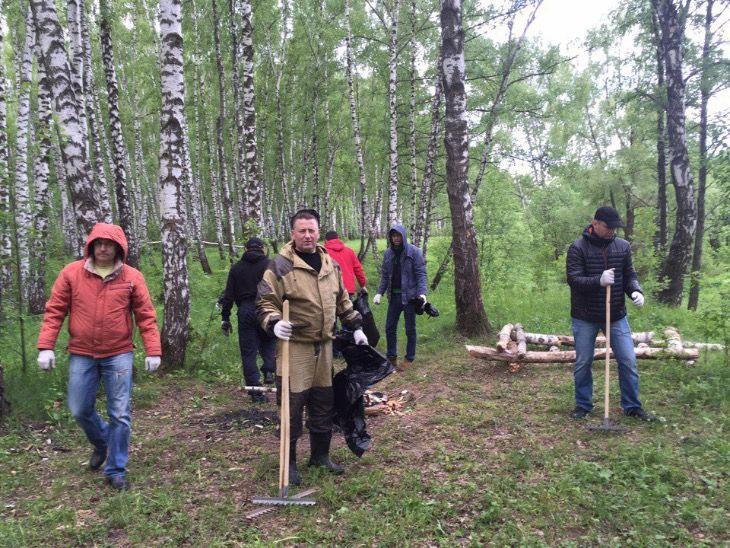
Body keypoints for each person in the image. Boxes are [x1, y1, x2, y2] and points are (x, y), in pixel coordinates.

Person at [37, 223, 161, 490]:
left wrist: (153, 350)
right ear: (91, 245)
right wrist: (45, 346)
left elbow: (146, 315)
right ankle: (102, 442)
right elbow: (55, 310)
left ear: (119, 247)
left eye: (109, 243)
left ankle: (116, 469)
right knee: (79, 408)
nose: (103, 248)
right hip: (82, 353)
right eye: (98, 243)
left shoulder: (131, 277)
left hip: (119, 354)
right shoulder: (72, 273)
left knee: (120, 413)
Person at [257, 209, 369, 485]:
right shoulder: (280, 265)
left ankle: (320, 455)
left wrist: (357, 327)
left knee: (323, 402)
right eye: (302, 230)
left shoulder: (330, 263)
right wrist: (273, 322)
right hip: (295, 346)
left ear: (319, 232)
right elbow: (264, 302)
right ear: (293, 233)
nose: (307, 235)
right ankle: (289, 462)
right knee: (292, 406)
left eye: (311, 230)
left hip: (325, 344)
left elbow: (342, 300)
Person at [566, 206, 656, 421]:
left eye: (615, 228)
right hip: (585, 315)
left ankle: (632, 406)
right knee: (583, 362)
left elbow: (629, 275)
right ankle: (583, 405)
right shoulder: (578, 248)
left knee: (628, 360)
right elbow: (574, 279)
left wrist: (635, 290)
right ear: (595, 223)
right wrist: (598, 280)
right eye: (608, 227)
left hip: (616, 314)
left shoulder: (622, 247)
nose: (612, 231)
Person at [220, 237, 276, 402]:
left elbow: (228, 296)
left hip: (245, 310)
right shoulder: (271, 265)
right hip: (268, 310)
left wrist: (225, 317)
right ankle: (269, 369)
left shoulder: (236, 268)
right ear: (262, 248)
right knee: (271, 342)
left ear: (246, 249)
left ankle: (256, 393)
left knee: (248, 352)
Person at [373, 225, 427, 372]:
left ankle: (409, 357)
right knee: (390, 327)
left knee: (410, 329)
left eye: (398, 235)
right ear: (390, 237)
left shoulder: (414, 252)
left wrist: (422, 294)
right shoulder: (388, 254)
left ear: (403, 236)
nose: (396, 238)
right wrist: (379, 292)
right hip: (394, 297)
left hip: (410, 298)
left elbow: (421, 274)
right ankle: (391, 357)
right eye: (393, 236)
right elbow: (385, 275)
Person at [323, 230, 367, 298]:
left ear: (325, 240)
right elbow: (358, 270)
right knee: (348, 308)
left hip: (330, 290)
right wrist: (362, 284)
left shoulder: (323, 253)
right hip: (348, 289)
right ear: (338, 238)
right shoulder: (349, 251)